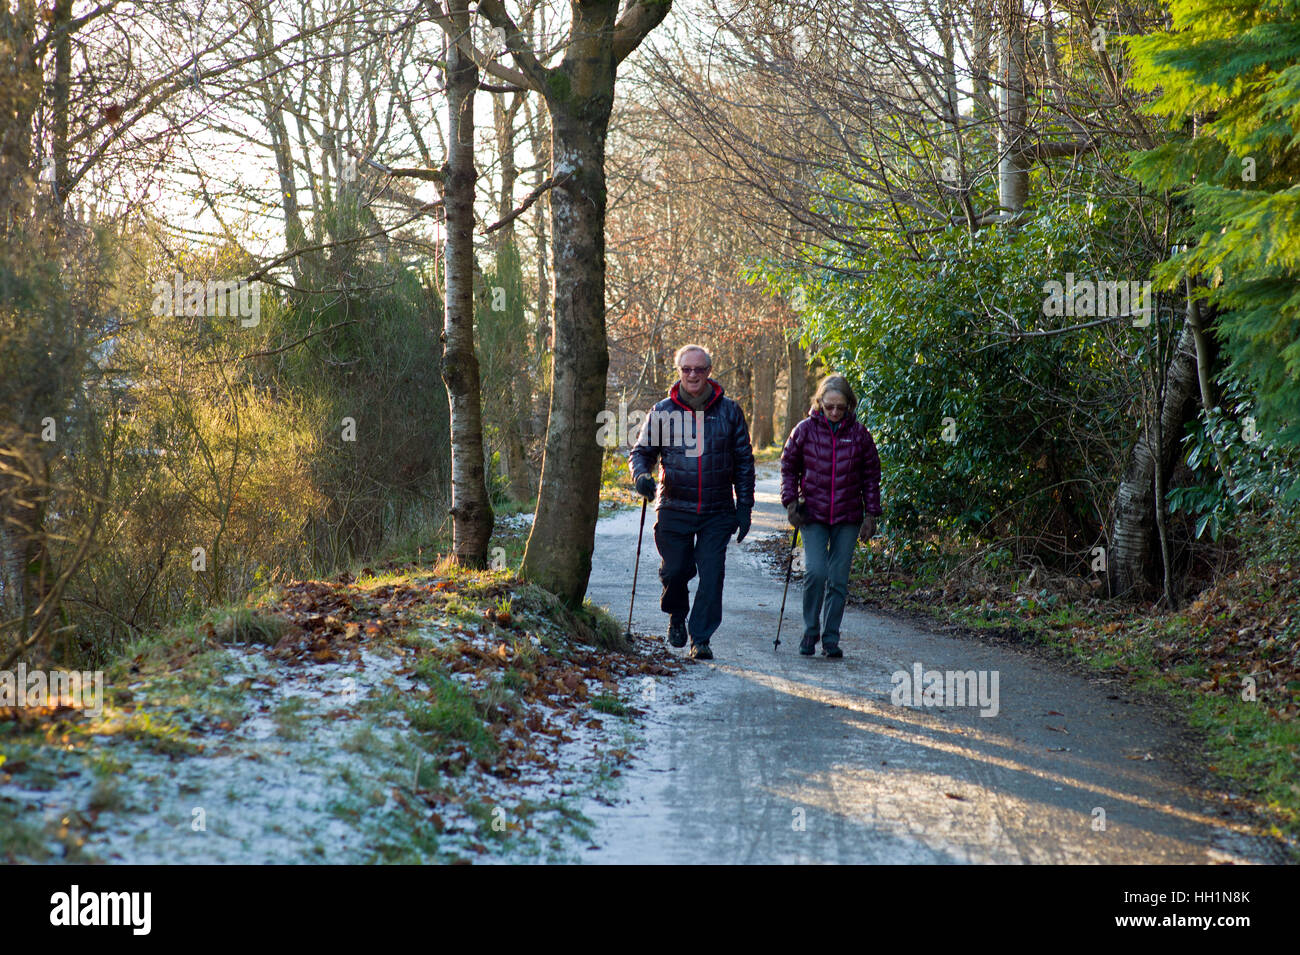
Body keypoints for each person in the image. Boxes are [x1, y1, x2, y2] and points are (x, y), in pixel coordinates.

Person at [628, 345, 756, 660]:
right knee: (675, 571)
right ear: (679, 372)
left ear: (709, 372)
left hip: (717, 511)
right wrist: (641, 476)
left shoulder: (730, 411)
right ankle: (676, 614)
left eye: (699, 369)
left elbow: (744, 462)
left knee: (712, 576)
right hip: (673, 505)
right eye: (687, 369)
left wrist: (744, 507)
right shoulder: (662, 411)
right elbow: (641, 453)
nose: (693, 375)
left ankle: (701, 638)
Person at [780, 374, 882, 658]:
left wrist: (871, 514)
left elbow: (871, 476)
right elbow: (788, 467)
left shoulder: (860, 435)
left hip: (848, 517)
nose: (835, 412)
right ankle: (809, 630)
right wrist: (791, 502)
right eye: (829, 407)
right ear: (820, 403)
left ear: (849, 405)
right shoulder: (804, 431)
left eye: (841, 407)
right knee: (815, 572)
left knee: (838, 579)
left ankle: (831, 638)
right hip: (812, 515)